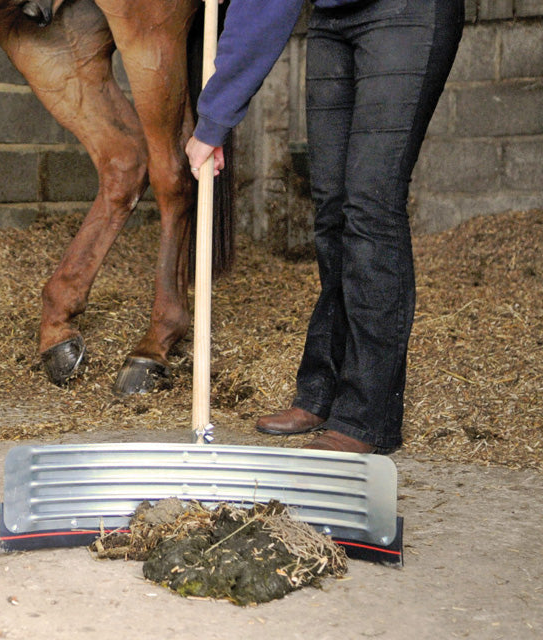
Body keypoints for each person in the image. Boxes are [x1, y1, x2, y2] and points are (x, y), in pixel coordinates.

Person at [185, 0, 464, 453]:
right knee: (332, 211)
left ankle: (366, 417)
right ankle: (322, 392)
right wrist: (217, 116)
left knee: (370, 207)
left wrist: (214, 118)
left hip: (405, 14)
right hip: (333, 18)